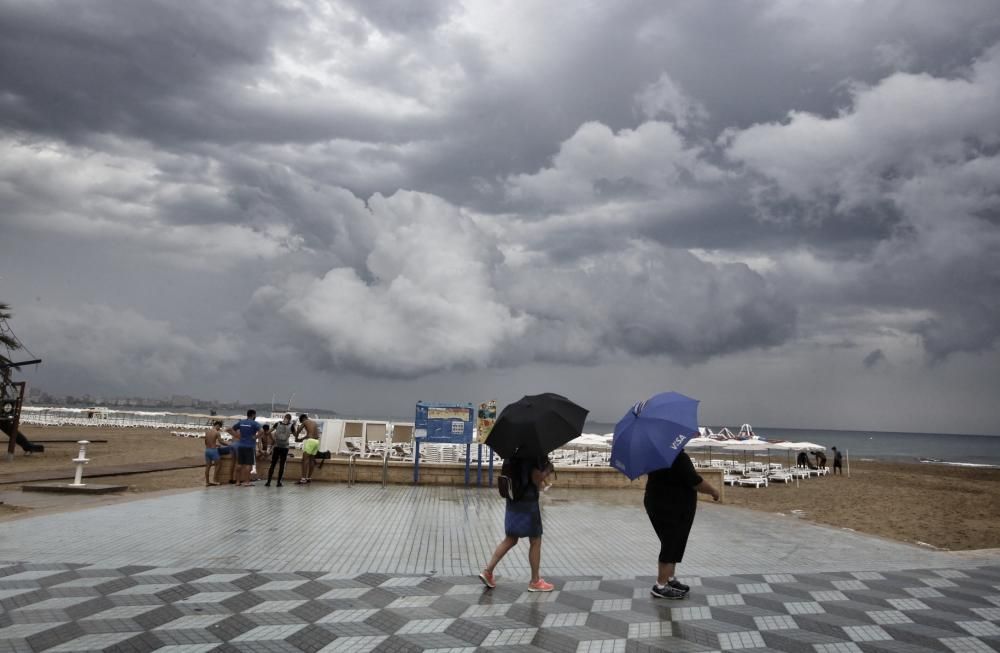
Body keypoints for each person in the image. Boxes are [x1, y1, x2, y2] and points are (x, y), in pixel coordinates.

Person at [643, 450, 719, 599]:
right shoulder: (678, 456)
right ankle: (660, 586)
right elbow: (695, 481)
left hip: (659, 503)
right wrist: (714, 491)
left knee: (673, 542)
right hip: (671, 508)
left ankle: (669, 579)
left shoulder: (656, 455)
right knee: (671, 543)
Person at [479, 455, 555, 592]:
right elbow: (536, 479)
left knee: (511, 538)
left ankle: (488, 571)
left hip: (513, 500)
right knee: (536, 540)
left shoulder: (512, 453)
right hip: (528, 503)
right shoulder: (532, 453)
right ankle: (535, 581)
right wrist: (548, 470)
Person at [228, 409, 261, 487]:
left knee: (239, 463)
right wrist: (255, 437)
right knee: (248, 464)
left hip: (241, 445)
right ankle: (247, 482)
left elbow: (232, 429)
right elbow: (262, 431)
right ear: (253, 415)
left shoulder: (241, 422)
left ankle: (237, 482)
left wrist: (238, 436)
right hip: (250, 446)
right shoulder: (255, 423)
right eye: (255, 415)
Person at [266, 413, 293, 487]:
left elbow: (268, 432)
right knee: (282, 465)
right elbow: (296, 435)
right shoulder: (291, 425)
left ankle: (268, 482)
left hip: (277, 446)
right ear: (290, 419)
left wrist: (274, 439)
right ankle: (278, 483)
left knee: (273, 464)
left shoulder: (277, 423)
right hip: (285, 447)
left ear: (284, 418)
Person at [294, 413, 320, 485]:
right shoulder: (314, 422)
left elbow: (298, 430)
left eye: (301, 422)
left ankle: (303, 479)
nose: (302, 423)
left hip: (310, 442)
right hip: (316, 442)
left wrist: (296, 437)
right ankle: (308, 478)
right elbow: (309, 434)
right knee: (311, 460)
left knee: (304, 460)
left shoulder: (305, 421)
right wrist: (301, 439)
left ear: (302, 419)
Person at [203, 420, 225, 486]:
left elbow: (206, 442)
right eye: (219, 427)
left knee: (208, 466)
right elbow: (221, 442)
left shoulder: (207, 431)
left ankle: (207, 482)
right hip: (213, 451)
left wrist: (215, 445)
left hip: (207, 450)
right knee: (218, 464)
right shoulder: (217, 432)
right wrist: (228, 444)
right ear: (217, 425)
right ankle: (215, 480)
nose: (219, 429)